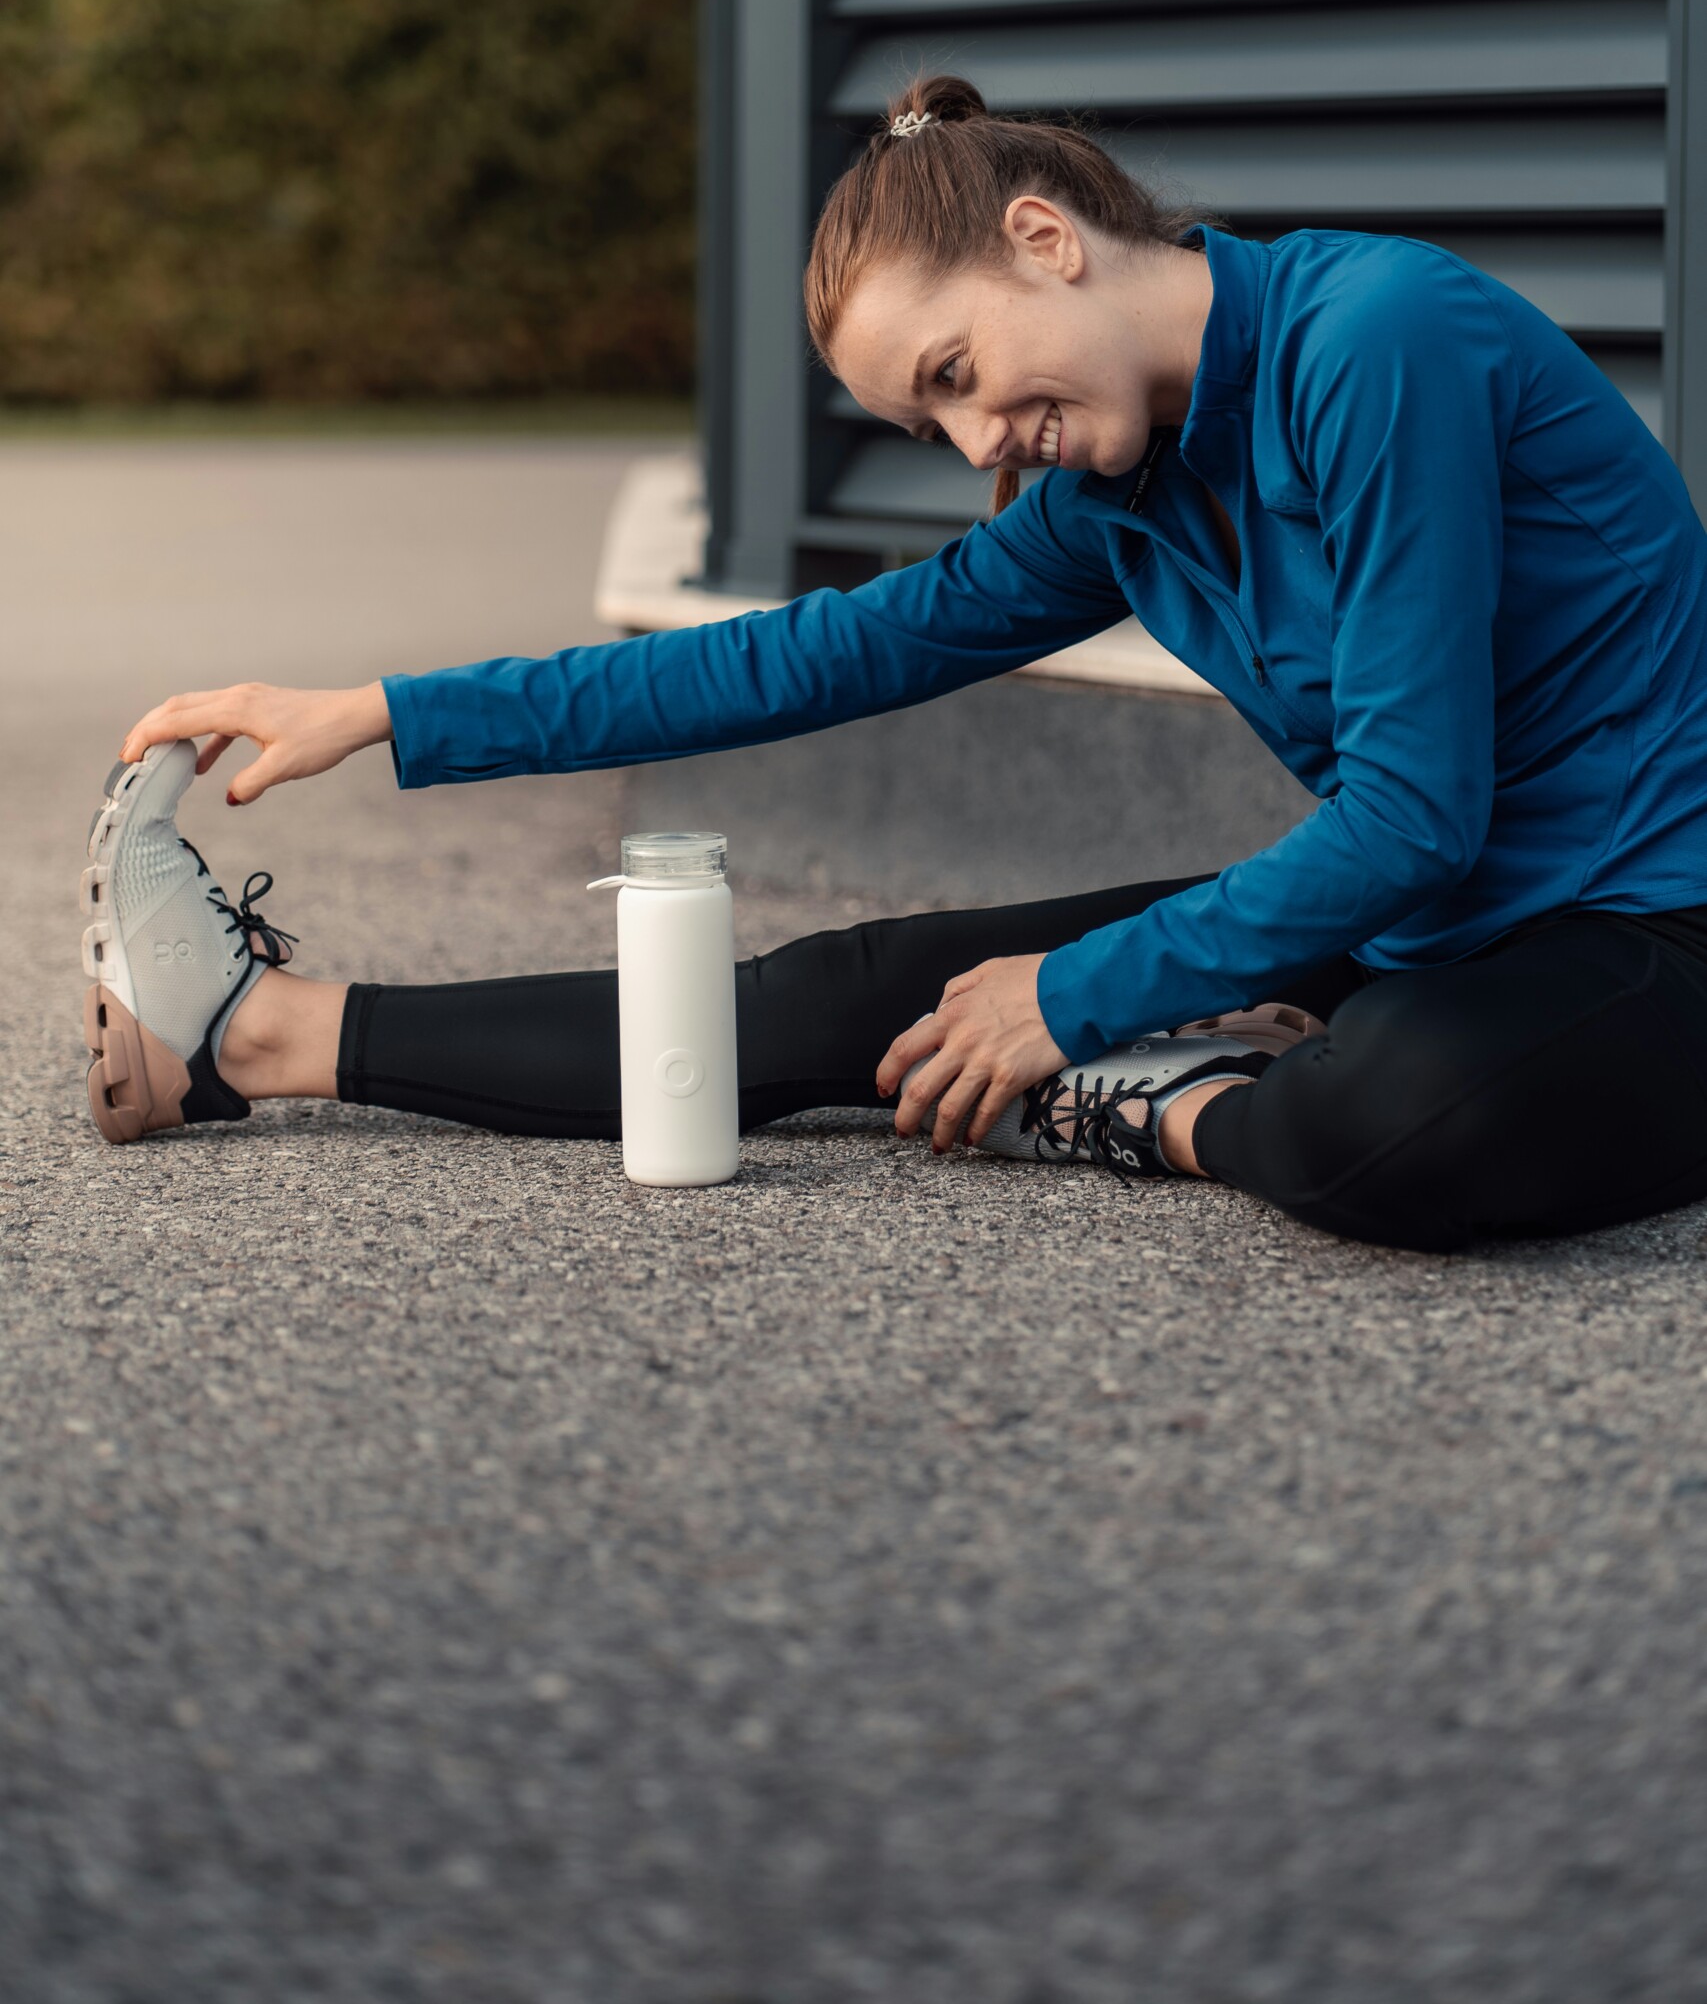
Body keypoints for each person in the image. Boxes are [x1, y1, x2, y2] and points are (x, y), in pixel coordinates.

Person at [81, 76, 1707, 1253]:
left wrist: (1078, 1005)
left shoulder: (1377, 341)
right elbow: (806, 659)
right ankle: (252, 1035)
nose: (981, 440)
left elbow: (1417, 813)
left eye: (961, 373)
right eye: (933, 422)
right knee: (870, 990)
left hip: (1651, 925)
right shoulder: (1112, 496)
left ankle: (1162, 1105)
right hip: (1430, 920)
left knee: (1390, 1120)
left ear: (1045, 239)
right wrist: (378, 712)